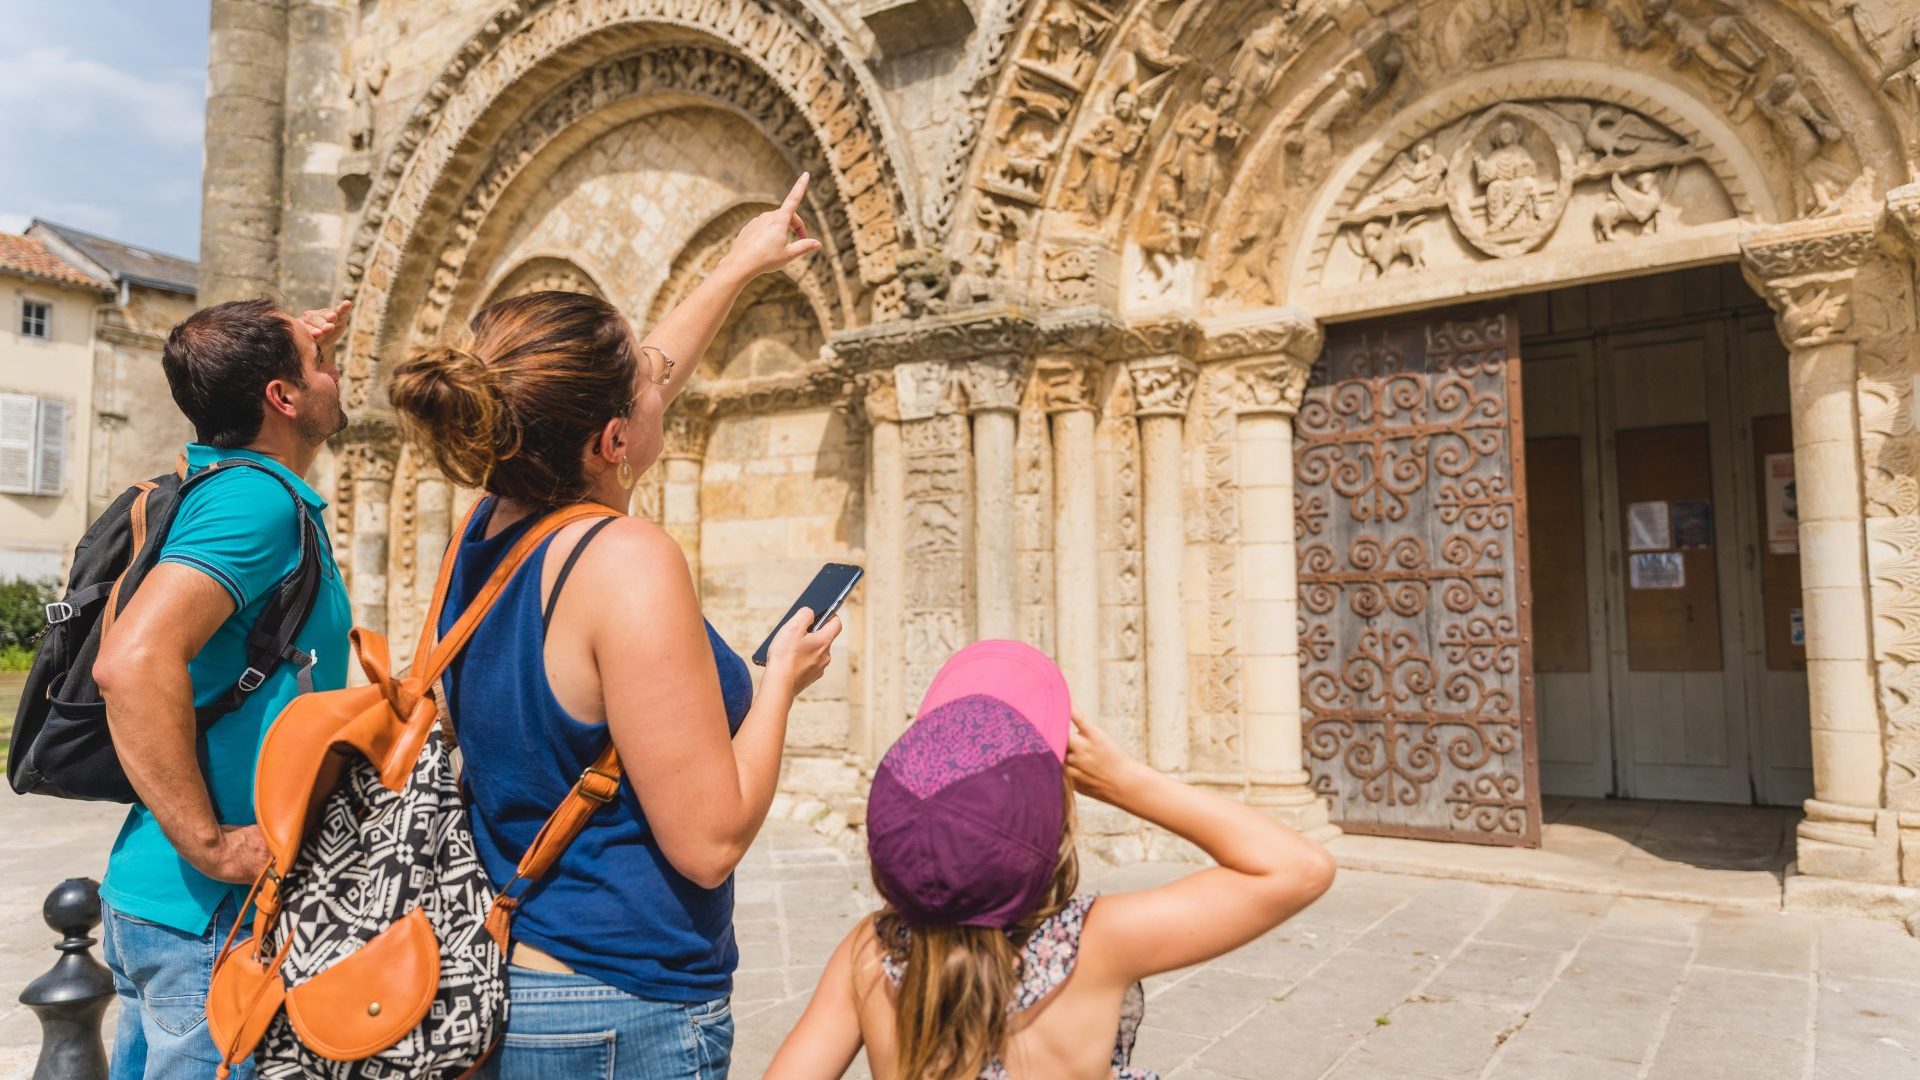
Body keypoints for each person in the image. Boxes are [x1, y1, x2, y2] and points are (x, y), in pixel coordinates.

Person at [387, 174, 837, 1079]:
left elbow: (635, 375)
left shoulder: (485, 529)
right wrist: (781, 679)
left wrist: (739, 265)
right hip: (616, 1011)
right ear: (613, 440)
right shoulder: (625, 560)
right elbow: (708, 843)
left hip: (509, 972)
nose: (661, 378)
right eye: (645, 382)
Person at [765, 641, 1339, 1080]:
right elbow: (1297, 867)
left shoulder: (869, 954)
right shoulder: (1093, 945)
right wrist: (1127, 782)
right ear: (1053, 827)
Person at [92, 298, 357, 1079]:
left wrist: (291, 345)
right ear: (281, 398)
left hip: (170, 908)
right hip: (210, 919)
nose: (336, 374)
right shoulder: (255, 501)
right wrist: (207, 844)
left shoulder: (227, 486)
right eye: (320, 367)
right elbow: (132, 662)